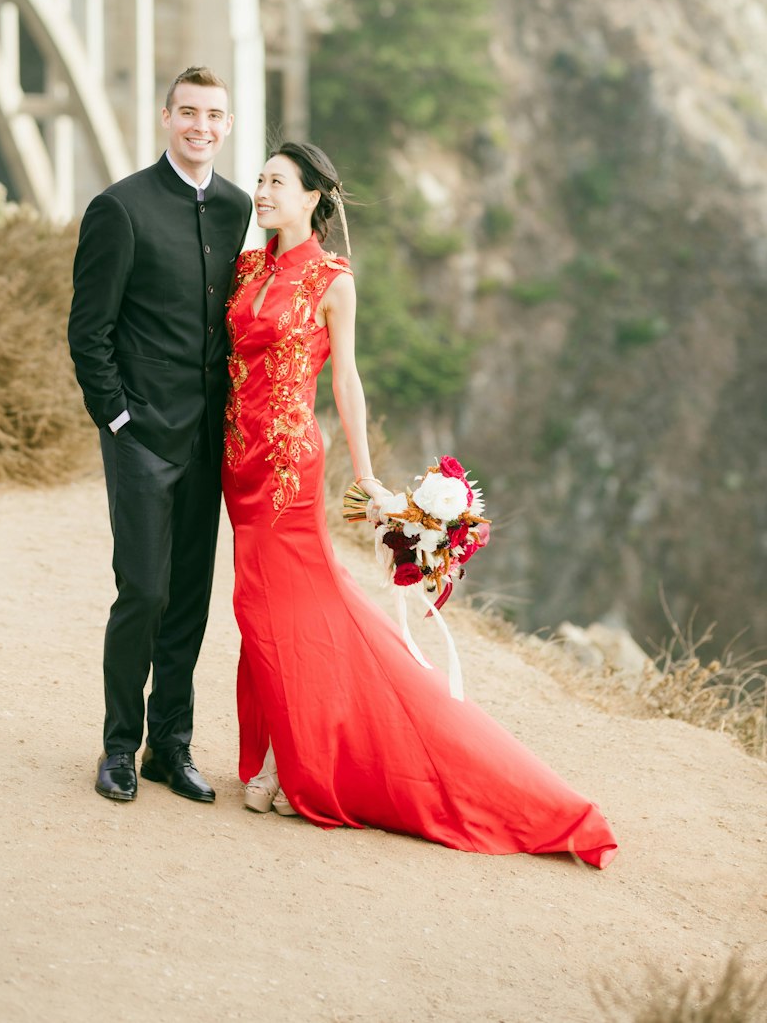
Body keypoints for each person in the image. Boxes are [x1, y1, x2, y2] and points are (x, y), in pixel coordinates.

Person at [221, 141, 617, 866]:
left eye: (277, 182)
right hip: (236, 469)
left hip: (287, 472)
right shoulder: (248, 267)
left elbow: (346, 381)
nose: (263, 190)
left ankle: (296, 764)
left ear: (313, 197)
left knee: (282, 614)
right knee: (260, 611)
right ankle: (283, 753)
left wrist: (366, 475)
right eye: (261, 181)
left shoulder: (333, 279)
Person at [68, 66, 252, 805]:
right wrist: (118, 417)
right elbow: (89, 331)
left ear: (227, 126)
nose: (200, 125)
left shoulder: (242, 209)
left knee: (189, 598)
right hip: (142, 433)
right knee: (142, 590)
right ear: (165, 118)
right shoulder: (121, 207)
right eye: (188, 113)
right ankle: (117, 745)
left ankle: (168, 747)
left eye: (214, 115)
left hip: (211, 438)